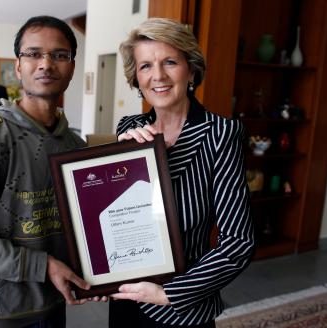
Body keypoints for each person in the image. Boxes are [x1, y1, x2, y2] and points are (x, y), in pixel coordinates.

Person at [0, 15, 93, 328]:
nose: (46, 64)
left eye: (60, 55)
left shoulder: (75, 144)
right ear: (18, 66)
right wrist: (43, 266)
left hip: (55, 304)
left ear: (72, 67)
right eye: (34, 54)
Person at [109, 18, 255, 327]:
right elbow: (111, 217)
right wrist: (115, 165)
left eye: (170, 62)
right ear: (136, 77)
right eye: (146, 66)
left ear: (191, 69)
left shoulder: (221, 134)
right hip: (126, 297)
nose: (158, 76)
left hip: (181, 310)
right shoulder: (128, 129)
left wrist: (169, 294)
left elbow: (238, 241)